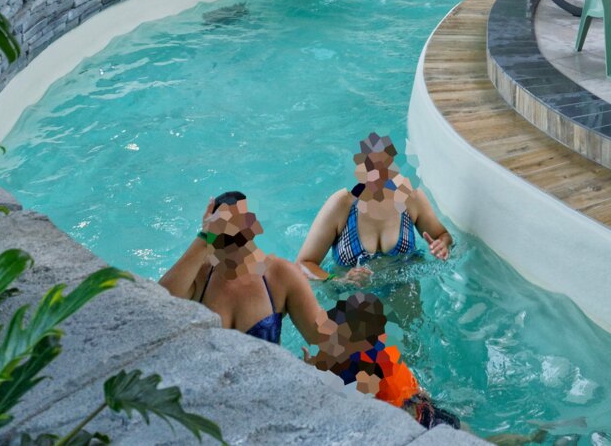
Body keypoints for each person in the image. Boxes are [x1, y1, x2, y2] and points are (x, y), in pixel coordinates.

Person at [158, 190, 334, 347]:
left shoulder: (281, 275)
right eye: (223, 226)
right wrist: (204, 238)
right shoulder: (199, 276)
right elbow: (158, 307)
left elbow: (325, 342)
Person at [297, 134, 454, 283]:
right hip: (351, 294)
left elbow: (442, 235)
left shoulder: (411, 197)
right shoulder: (342, 204)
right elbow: (304, 264)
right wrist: (340, 280)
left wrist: (442, 245)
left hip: (403, 291)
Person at [312, 292, 460, 428]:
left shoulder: (366, 370)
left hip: (412, 418)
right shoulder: (386, 350)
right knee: (455, 425)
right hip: (423, 402)